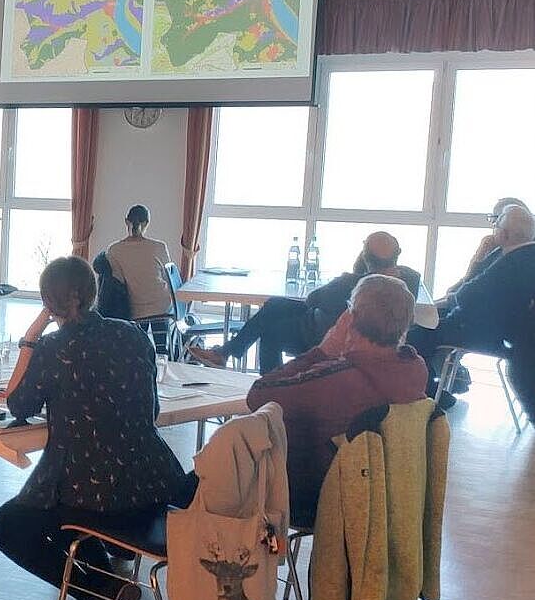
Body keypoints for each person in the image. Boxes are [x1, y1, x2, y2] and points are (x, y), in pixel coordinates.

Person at [0, 257, 191, 600]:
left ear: (48, 302)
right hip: (155, 485)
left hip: (95, 493)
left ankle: (101, 592)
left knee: (9, 525)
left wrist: (30, 338)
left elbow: (18, 404)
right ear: (93, 292)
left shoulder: (54, 348)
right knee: (64, 512)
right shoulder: (135, 336)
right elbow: (150, 411)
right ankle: (106, 599)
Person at [248, 274, 428, 526]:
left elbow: (258, 395)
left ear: (349, 318)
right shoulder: (415, 370)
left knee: (208, 478)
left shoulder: (336, 380)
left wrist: (322, 352)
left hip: (314, 496)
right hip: (382, 495)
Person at [189, 231, 422, 373]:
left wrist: (356, 270)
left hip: (320, 335)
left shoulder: (350, 283)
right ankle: (227, 352)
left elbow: (313, 299)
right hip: (336, 327)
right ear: (397, 255)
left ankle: (270, 388)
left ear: (365, 256)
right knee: (274, 305)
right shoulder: (409, 280)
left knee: (271, 331)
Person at [408, 204, 535, 395]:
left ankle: (426, 394)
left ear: (505, 234)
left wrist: (428, 307)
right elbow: (468, 289)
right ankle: (433, 389)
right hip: (504, 331)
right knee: (426, 322)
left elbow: (465, 295)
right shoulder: (523, 254)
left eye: (496, 225)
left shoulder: (511, 262)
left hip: (486, 332)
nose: (494, 230)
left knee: (416, 336)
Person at [105, 204, 172, 320]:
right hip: (162, 306)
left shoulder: (114, 250)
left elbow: (118, 281)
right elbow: (169, 279)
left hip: (135, 310)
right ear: (147, 223)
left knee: (140, 328)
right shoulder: (159, 247)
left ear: (126, 221)